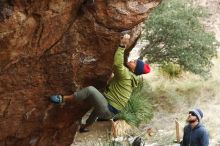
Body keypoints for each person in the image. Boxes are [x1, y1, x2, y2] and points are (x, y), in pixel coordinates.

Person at [49, 33, 151, 132]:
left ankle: (63, 99)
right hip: (111, 109)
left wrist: (122, 45)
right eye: (135, 60)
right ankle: (86, 127)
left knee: (91, 90)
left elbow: (117, 64)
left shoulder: (126, 76)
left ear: (135, 70)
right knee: (97, 109)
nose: (133, 60)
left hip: (108, 109)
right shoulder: (130, 77)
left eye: (135, 63)